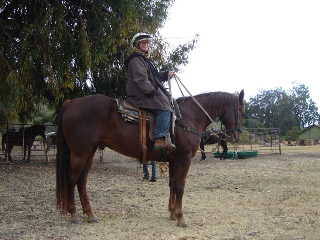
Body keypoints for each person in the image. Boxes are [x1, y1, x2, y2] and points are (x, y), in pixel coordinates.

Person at [124, 32, 175, 151]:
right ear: (137, 44)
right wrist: (152, 91)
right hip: (141, 94)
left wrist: (166, 74)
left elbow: (154, 77)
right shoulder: (136, 59)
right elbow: (141, 80)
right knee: (165, 109)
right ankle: (159, 138)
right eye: (143, 42)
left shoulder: (144, 59)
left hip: (145, 92)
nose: (146, 44)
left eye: (147, 42)